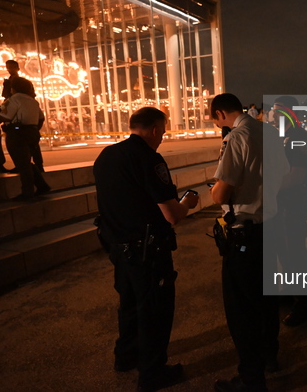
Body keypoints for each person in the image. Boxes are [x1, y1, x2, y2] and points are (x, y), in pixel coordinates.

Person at [93, 107, 198, 392]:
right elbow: (172, 215)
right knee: (154, 310)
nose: (162, 138)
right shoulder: (149, 159)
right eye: (162, 132)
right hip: (147, 251)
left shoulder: (106, 156)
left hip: (117, 246)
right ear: (154, 130)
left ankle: (124, 355)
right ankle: (152, 372)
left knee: (128, 303)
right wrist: (188, 202)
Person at [210, 93, 288, 392]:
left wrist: (218, 190)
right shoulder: (267, 131)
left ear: (219, 114)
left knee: (242, 309)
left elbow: (220, 193)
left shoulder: (236, 137)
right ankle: (271, 357)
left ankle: (251, 378)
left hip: (245, 232)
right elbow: (280, 176)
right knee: (267, 299)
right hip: (270, 224)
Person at [272, 96, 307, 327]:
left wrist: (267, 185)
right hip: (278, 203)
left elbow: (297, 176)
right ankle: (289, 291)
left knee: (295, 249)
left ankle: (302, 304)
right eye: (273, 111)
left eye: (279, 111)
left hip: (294, 202)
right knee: (282, 248)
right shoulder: (280, 137)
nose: (274, 115)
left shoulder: (300, 138)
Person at [0, 77, 50, 200]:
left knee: (22, 164)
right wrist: (34, 128)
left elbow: (6, 116)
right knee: (26, 161)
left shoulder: (14, 99)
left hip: (17, 133)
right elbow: (41, 118)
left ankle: (27, 192)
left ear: (13, 88)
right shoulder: (33, 101)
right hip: (32, 132)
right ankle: (42, 186)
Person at [2, 60, 44, 172]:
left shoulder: (24, 82)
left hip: (23, 112)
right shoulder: (7, 82)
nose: (10, 69)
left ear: (17, 68)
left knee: (31, 144)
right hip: (15, 112)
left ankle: (37, 164)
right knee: (22, 145)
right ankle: (24, 165)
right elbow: (5, 96)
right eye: (8, 67)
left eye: (12, 67)